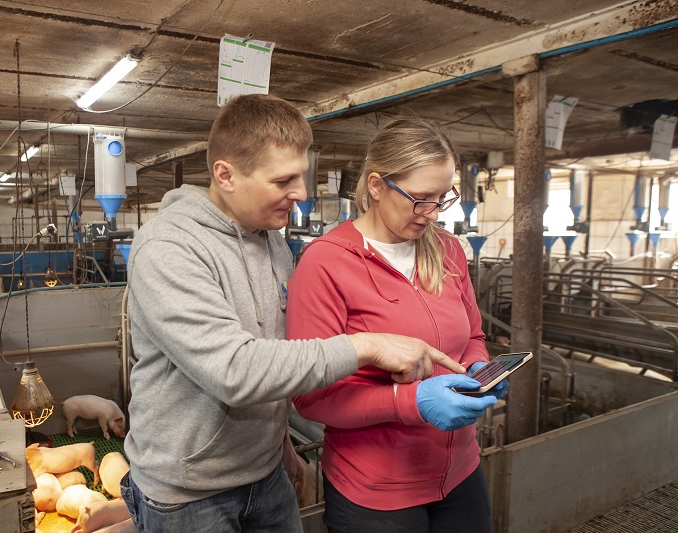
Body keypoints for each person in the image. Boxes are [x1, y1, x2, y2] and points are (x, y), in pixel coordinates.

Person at [122, 95, 466, 533]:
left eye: (301, 176)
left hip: (265, 474)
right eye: (283, 180)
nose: (301, 194)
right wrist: (367, 345)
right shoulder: (168, 248)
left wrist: (280, 440)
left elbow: (277, 350)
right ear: (225, 175)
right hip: (189, 494)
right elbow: (234, 369)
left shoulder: (272, 241)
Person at [287, 116, 507, 533]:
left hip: (460, 472)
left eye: (443, 198)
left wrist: (478, 369)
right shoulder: (325, 263)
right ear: (376, 185)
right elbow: (310, 396)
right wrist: (410, 402)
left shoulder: (448, 250)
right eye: (420, 198)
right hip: (376, 489)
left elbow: (473, 335)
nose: (431, 213)